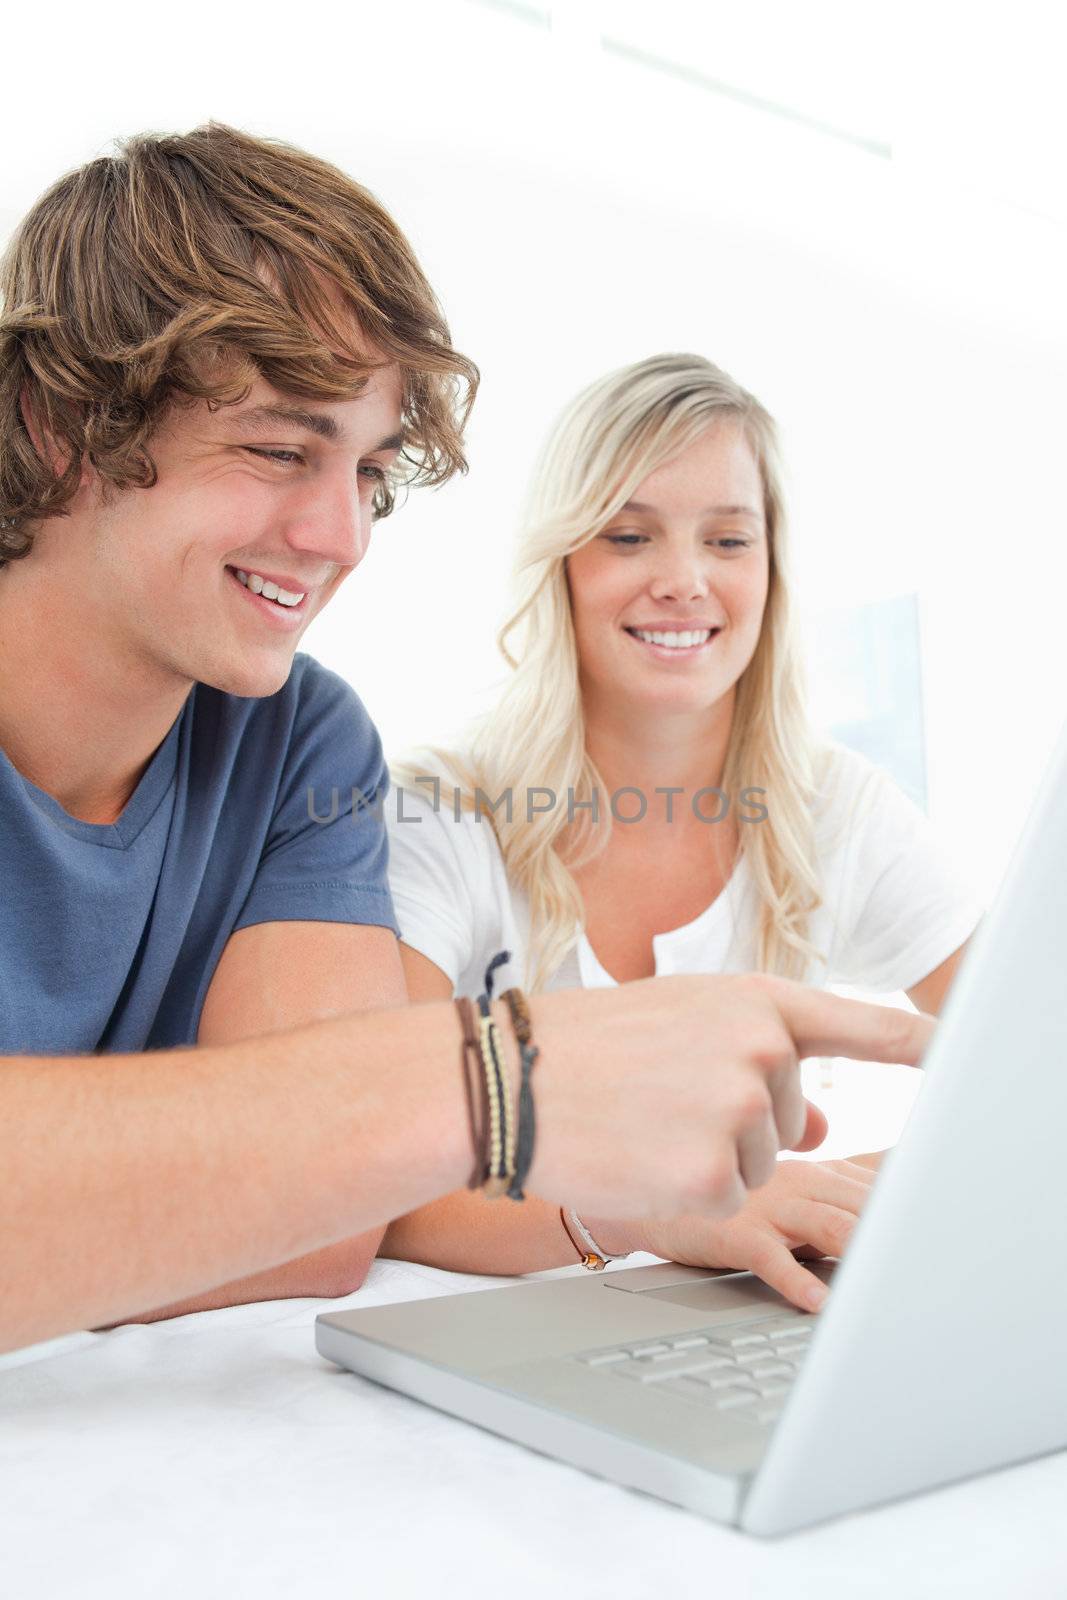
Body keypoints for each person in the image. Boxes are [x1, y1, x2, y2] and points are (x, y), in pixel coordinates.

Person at [0, 131, 935, 1357]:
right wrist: (506, 1080)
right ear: (61, 420)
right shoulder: (442, 805)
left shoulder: (299, 738)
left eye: (370, 470)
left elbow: (317, 1229)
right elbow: (327, 1173)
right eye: (281, 449)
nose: (339, 534)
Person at [383, 353, 982, 1310]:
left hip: (747, 1314)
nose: (682, 581)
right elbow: (364, 1179)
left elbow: (1027, 1052)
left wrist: (837, 1197)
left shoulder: (839, 808)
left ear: (771, 569)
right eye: (628, 536)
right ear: (561, 565)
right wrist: (642, 1213)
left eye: (728, 540)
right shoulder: (434, 817)